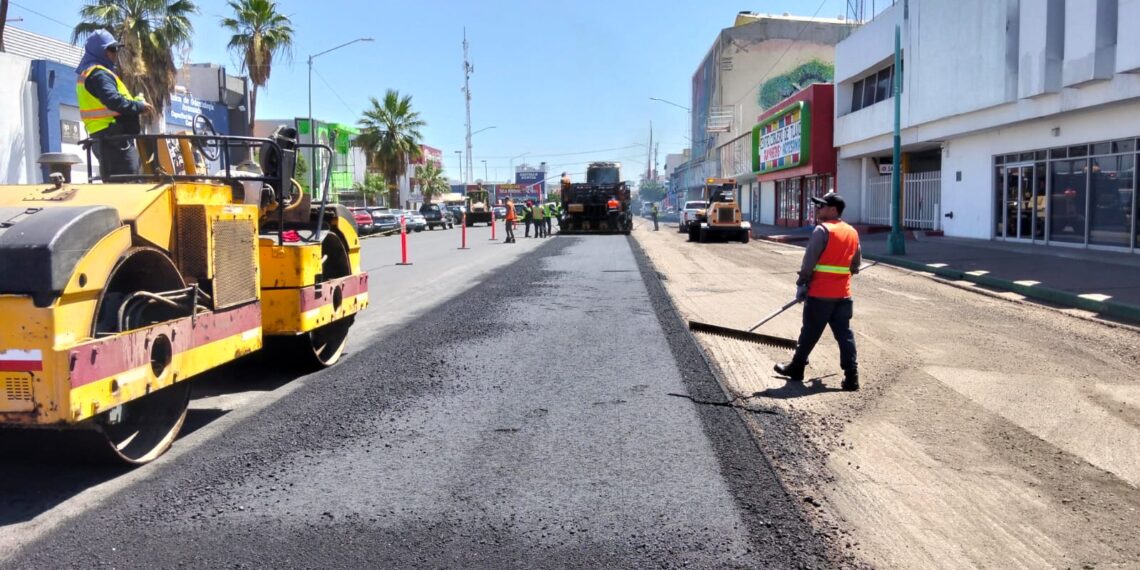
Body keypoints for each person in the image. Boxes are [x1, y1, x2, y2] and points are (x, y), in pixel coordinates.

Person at [774, 192, 862, 391]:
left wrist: (802, 283)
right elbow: (856, 265)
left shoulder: (822, 231)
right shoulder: (852, 232)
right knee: (845, 335)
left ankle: (796, 368)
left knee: (809, 334)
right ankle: (852, 378)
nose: (817, 209)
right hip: (843, 295)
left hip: (820, 294)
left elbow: (809, 262)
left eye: (821, 206)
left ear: (833, 210)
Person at [76, 30, 154, 181]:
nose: (115, 53)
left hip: (107, 140)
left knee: (119, 185)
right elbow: (113, 100)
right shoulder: (99, 74)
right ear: (100, 52)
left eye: (116, 49)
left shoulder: (91, 73)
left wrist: (135, 102)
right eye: (112, 49)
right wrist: (139, 106)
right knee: (129, 186)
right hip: (113, 140)